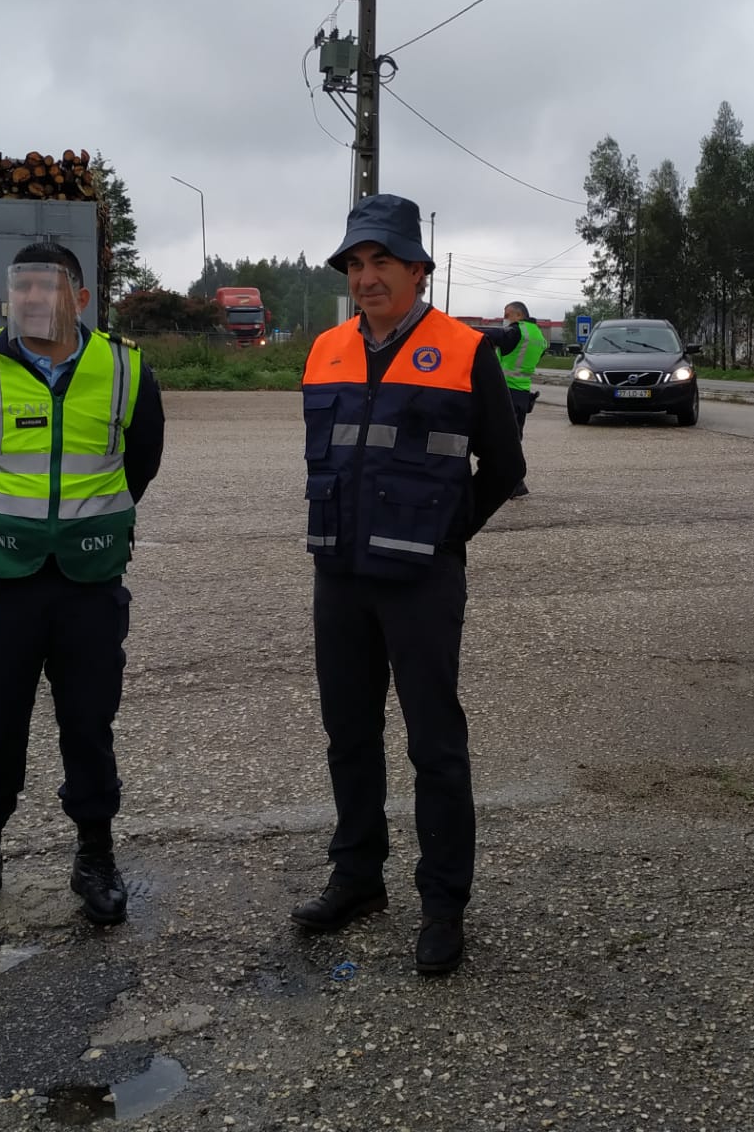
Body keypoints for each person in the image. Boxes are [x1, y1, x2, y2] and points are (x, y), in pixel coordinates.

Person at [292, 193, 525, 976]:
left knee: (435, 746)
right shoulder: (325, 350)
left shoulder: (465, 351)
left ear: (418, 269)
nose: (367, 277)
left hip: (422, 581)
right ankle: (358, 877)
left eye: (382, 261)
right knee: (349, 735)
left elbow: (506, 468)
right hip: (340, 577)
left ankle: (443, 904)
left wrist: (446, 538)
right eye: (356, 264)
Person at [0, 243, 165, 931]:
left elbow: (141, 463)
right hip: (0, 582)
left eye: (45, 287)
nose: (29, 298)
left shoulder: (124, 369)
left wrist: (84, 524)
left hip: (89, 579)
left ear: (79, 299)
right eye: (19, 287)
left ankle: (95, 859)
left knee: (89, 725)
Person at [482, 301, 547, 497]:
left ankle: (514, 483)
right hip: (522, 393)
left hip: (507, 391)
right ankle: (515, 483)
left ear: (518, 315)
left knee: (503, 439)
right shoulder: (538, 335)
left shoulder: (517, 332)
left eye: (507, 314)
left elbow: (492, 335)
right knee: (513, 438)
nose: (505, 319)